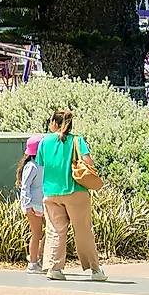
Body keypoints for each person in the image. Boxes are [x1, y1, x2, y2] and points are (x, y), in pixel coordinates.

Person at [38, 105, 105, 282]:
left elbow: (42, 163)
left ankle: (55, 267)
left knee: (55, 230)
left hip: (51, 192)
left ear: (54, 123)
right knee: (82, 230)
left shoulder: (44, 142)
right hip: (75, 191)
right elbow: (88, 163)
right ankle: (95, 269)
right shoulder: (77, 140)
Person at [20, 135, 48, 274]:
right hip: (34, 205)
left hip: (43, 204)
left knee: (48, 232)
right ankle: (32, 263)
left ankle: (37, 256)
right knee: (36, 233)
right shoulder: (31, 166)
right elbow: (25, 187)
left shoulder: (42, 165)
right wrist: (27, 205)